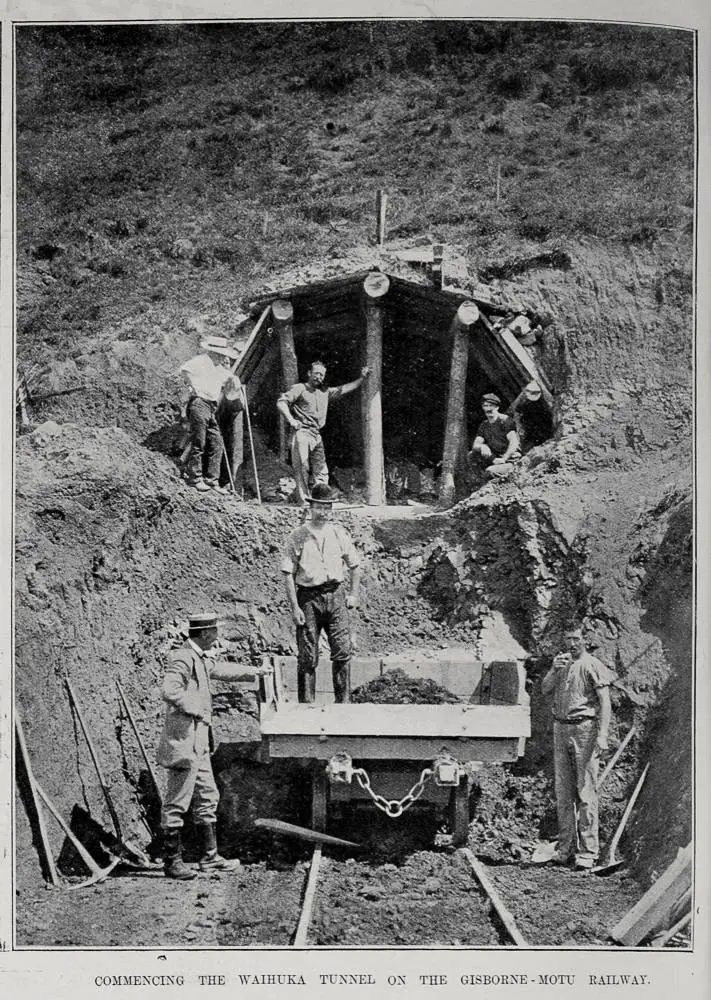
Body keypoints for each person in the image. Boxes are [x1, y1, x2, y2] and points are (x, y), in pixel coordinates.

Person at [156, 612, 265, 879]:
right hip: (185, 742)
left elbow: (220, 670)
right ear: (205, 633)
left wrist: (255, 672)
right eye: (215, 631)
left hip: (201, 743)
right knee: (177, 801)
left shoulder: (201, 658)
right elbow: (169, 690)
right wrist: (197, 709)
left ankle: (210, 857)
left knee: (207, 797)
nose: (218, 636)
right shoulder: (182, 658)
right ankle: (172, 862)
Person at [280, 484, 362, 703]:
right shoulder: (297, 536)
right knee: (307, 655)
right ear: (311, 508)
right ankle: (306, 707)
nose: (323, 513)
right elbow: (288, 573)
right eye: (319, 507)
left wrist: (353, 594)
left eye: (327, 508)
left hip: (336, 596)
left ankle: (343, 705)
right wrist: (295, 608)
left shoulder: (338, 533)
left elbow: (355, 565)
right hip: (308, 599)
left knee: (342, 651)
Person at [541, 627, 613, 869]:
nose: (572, 644)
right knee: (563, 792)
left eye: (576, 639)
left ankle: (588, 852)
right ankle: (565, 849)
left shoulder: (592, 665)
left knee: (585, 790)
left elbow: (605, 702)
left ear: (585, 641)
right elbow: (545, 689)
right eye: (568, 639)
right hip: (560, 728)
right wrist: (553, 669)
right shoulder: (561, 665)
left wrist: (602, 735)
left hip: (584, 729)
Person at [277, 360, 370, 506]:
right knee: (302, 467)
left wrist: (362, 378)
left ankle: (320, 501)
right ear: (309, 373)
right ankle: (304, 502)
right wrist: (291, 420)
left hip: (316, 435)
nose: (319, 377)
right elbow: (281, 402)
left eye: (321, 375)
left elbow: (344, 388)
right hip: (302, 433)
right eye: (316, 373)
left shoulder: (324, 392)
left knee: (321, 470)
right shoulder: (299, 388)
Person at [179, 337, 242, 493]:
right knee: (199, 442)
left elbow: (230, 379)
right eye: (220, 354)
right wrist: (195, 386)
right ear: (213, 352)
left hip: (211, 407)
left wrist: (235, 380)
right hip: (199, 403)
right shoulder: (201, 361)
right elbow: (185, 369)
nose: (223, 357)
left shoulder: (217, 367)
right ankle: (195, 478)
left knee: (216, 441)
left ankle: (212, 479)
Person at [468, 392, 521, 479]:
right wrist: (482, 446)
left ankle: (500, 479)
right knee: (472, 455)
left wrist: (504, 459)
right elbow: (475, 445)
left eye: (491, 406)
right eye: (486, 406)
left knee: (491, 471)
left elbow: (514, 443)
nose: (488, 409)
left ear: (497, 407)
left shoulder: (505, 421)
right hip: (496, 459)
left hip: (510, 460)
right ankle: (481, 480)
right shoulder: (484, 425)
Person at [509, 380, 555, 450]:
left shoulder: (544, 404)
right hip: (530, 429)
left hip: (543, 429)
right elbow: (517, 412)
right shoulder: (525, 403)